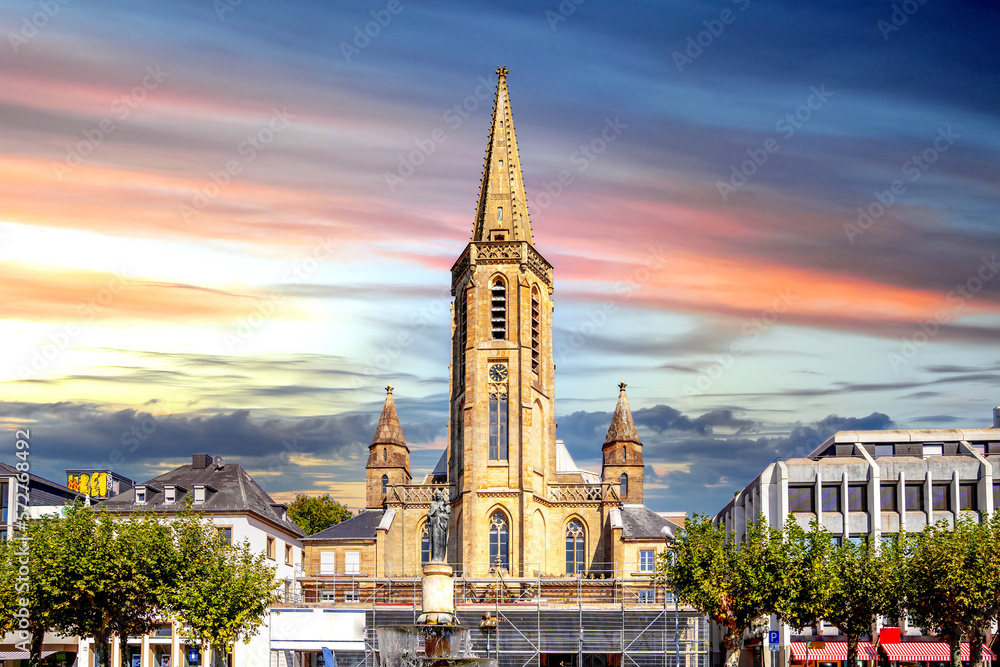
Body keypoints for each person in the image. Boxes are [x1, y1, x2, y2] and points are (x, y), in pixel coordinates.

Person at [427, 489, 451, 562]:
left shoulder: (444, 505)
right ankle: (434, 558)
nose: (438, 496)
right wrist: (429, 516)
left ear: (441, 496)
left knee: (441, 542)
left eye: (439, 495)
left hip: (441, 525)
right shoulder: (432, 505)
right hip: (434, 524)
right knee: (434, 541)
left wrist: (441, 515)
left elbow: (447, 515)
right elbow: (430, 514)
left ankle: (441, 558)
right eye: (436, 495)